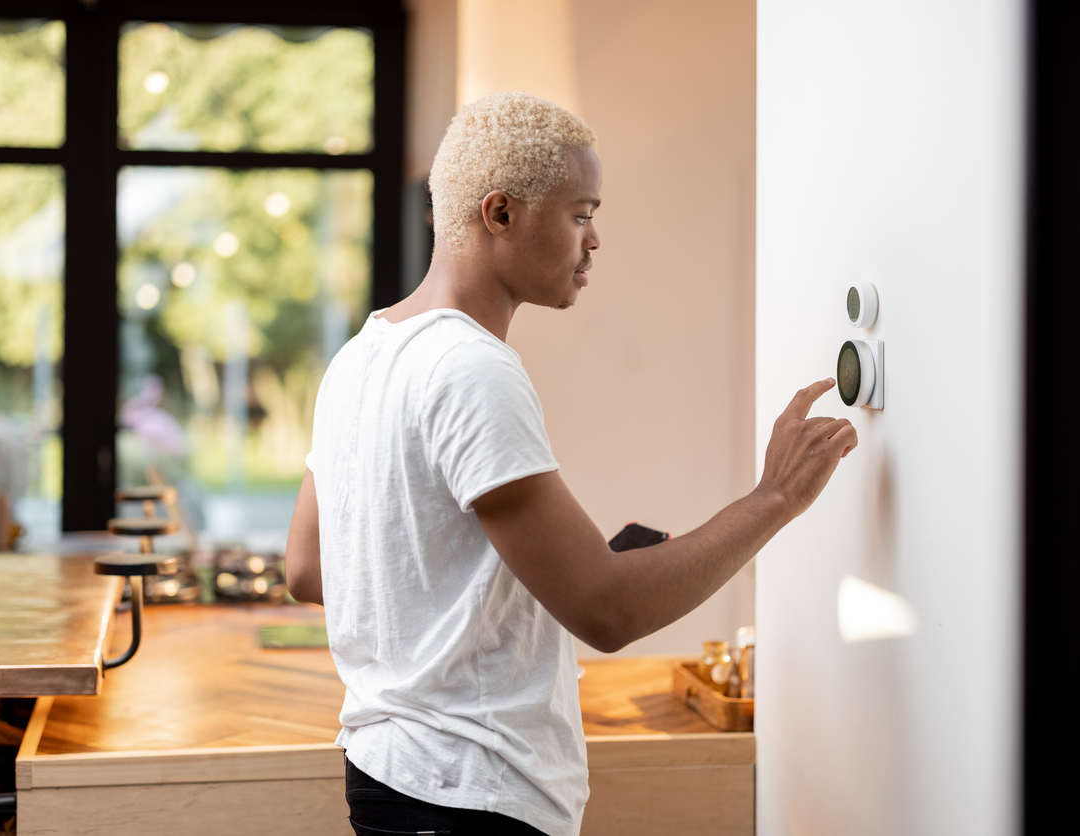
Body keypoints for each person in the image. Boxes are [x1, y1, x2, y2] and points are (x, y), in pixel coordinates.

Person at [285, 91, 857, 836]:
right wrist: (773, 498)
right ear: (499, 214)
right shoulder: (470, 368)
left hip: (388, 779)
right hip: (472, 795)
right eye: (581, 214)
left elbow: (306, 567)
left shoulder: (359, 358)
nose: (594, 241)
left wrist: (490, 583)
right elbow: (607, 610)